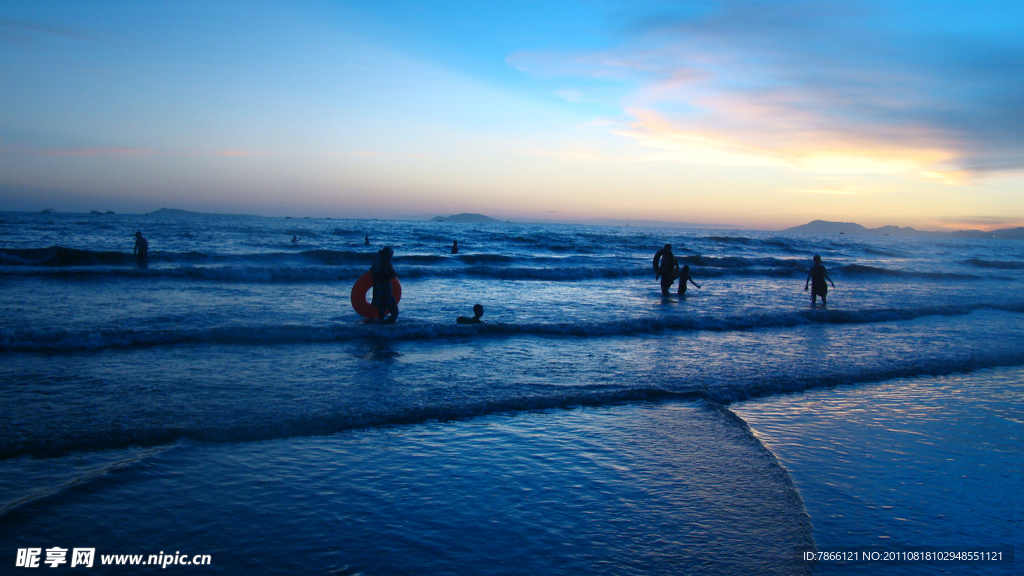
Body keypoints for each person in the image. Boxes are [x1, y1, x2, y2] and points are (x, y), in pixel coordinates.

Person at [370, 246, 399, 323]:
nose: (391, 257)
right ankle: (387, 327)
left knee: (381, 313)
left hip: (377, 291)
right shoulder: (387, 264)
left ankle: (380, 328)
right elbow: (394, 274)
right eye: (390, 255)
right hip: (385, 291)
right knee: (395, 313)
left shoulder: (375, 263)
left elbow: (370, 275)